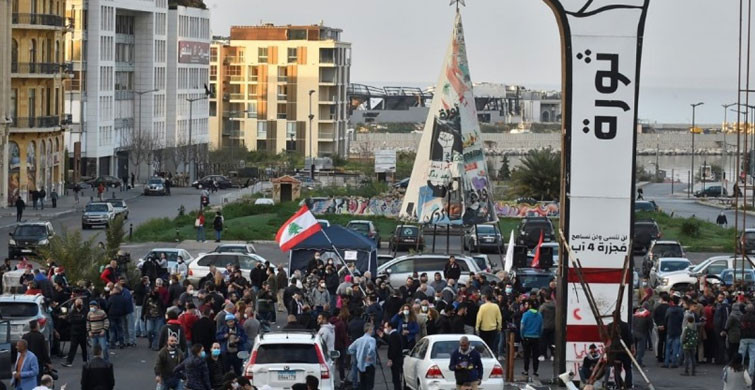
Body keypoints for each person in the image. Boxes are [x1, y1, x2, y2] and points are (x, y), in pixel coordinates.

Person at [348, 323, 377, 390]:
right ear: (369, 329)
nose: (373, 331)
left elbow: (350, 349)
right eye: (372, 329)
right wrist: (369, 355)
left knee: (363, 383)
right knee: (370, 384)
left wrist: (356, 354)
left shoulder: (358, 340)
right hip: (370, 363)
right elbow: (372, 349)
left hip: (360, 363)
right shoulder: (372, 339)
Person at [520, 299, 543, 377]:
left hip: (527, 337)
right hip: (536, 337)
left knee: (527, 355)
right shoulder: (539, 315)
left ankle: (526, 370)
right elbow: (541, 327)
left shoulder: (526, 314)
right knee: (535, 355)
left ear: (530, 306)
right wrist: (539, 335)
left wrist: (522, 335)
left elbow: (522, 326)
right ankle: (535, 371)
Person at [377, 321, 403, 390]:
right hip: (397, 358)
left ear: (390, 327)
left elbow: (393, 348)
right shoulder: (394, 334)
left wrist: (390, 359)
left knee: (396, 378)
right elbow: (390, 341)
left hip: (396, 360)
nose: (385, 329)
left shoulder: (394, 335)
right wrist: (383, 336)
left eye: (386, 327)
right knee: (395, 378)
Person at [63, 298, 88, 367]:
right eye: (77, 303)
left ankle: (85, 361)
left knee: (84, 348)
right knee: (72, 348)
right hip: (74, 333)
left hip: (83, 332)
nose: (78, 304)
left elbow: (85, 320)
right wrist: (80, 319)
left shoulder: (85, 311)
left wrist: (77, 320)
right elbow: (70, 320)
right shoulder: (72, 311)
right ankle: (69, 362)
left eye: (79, 303)